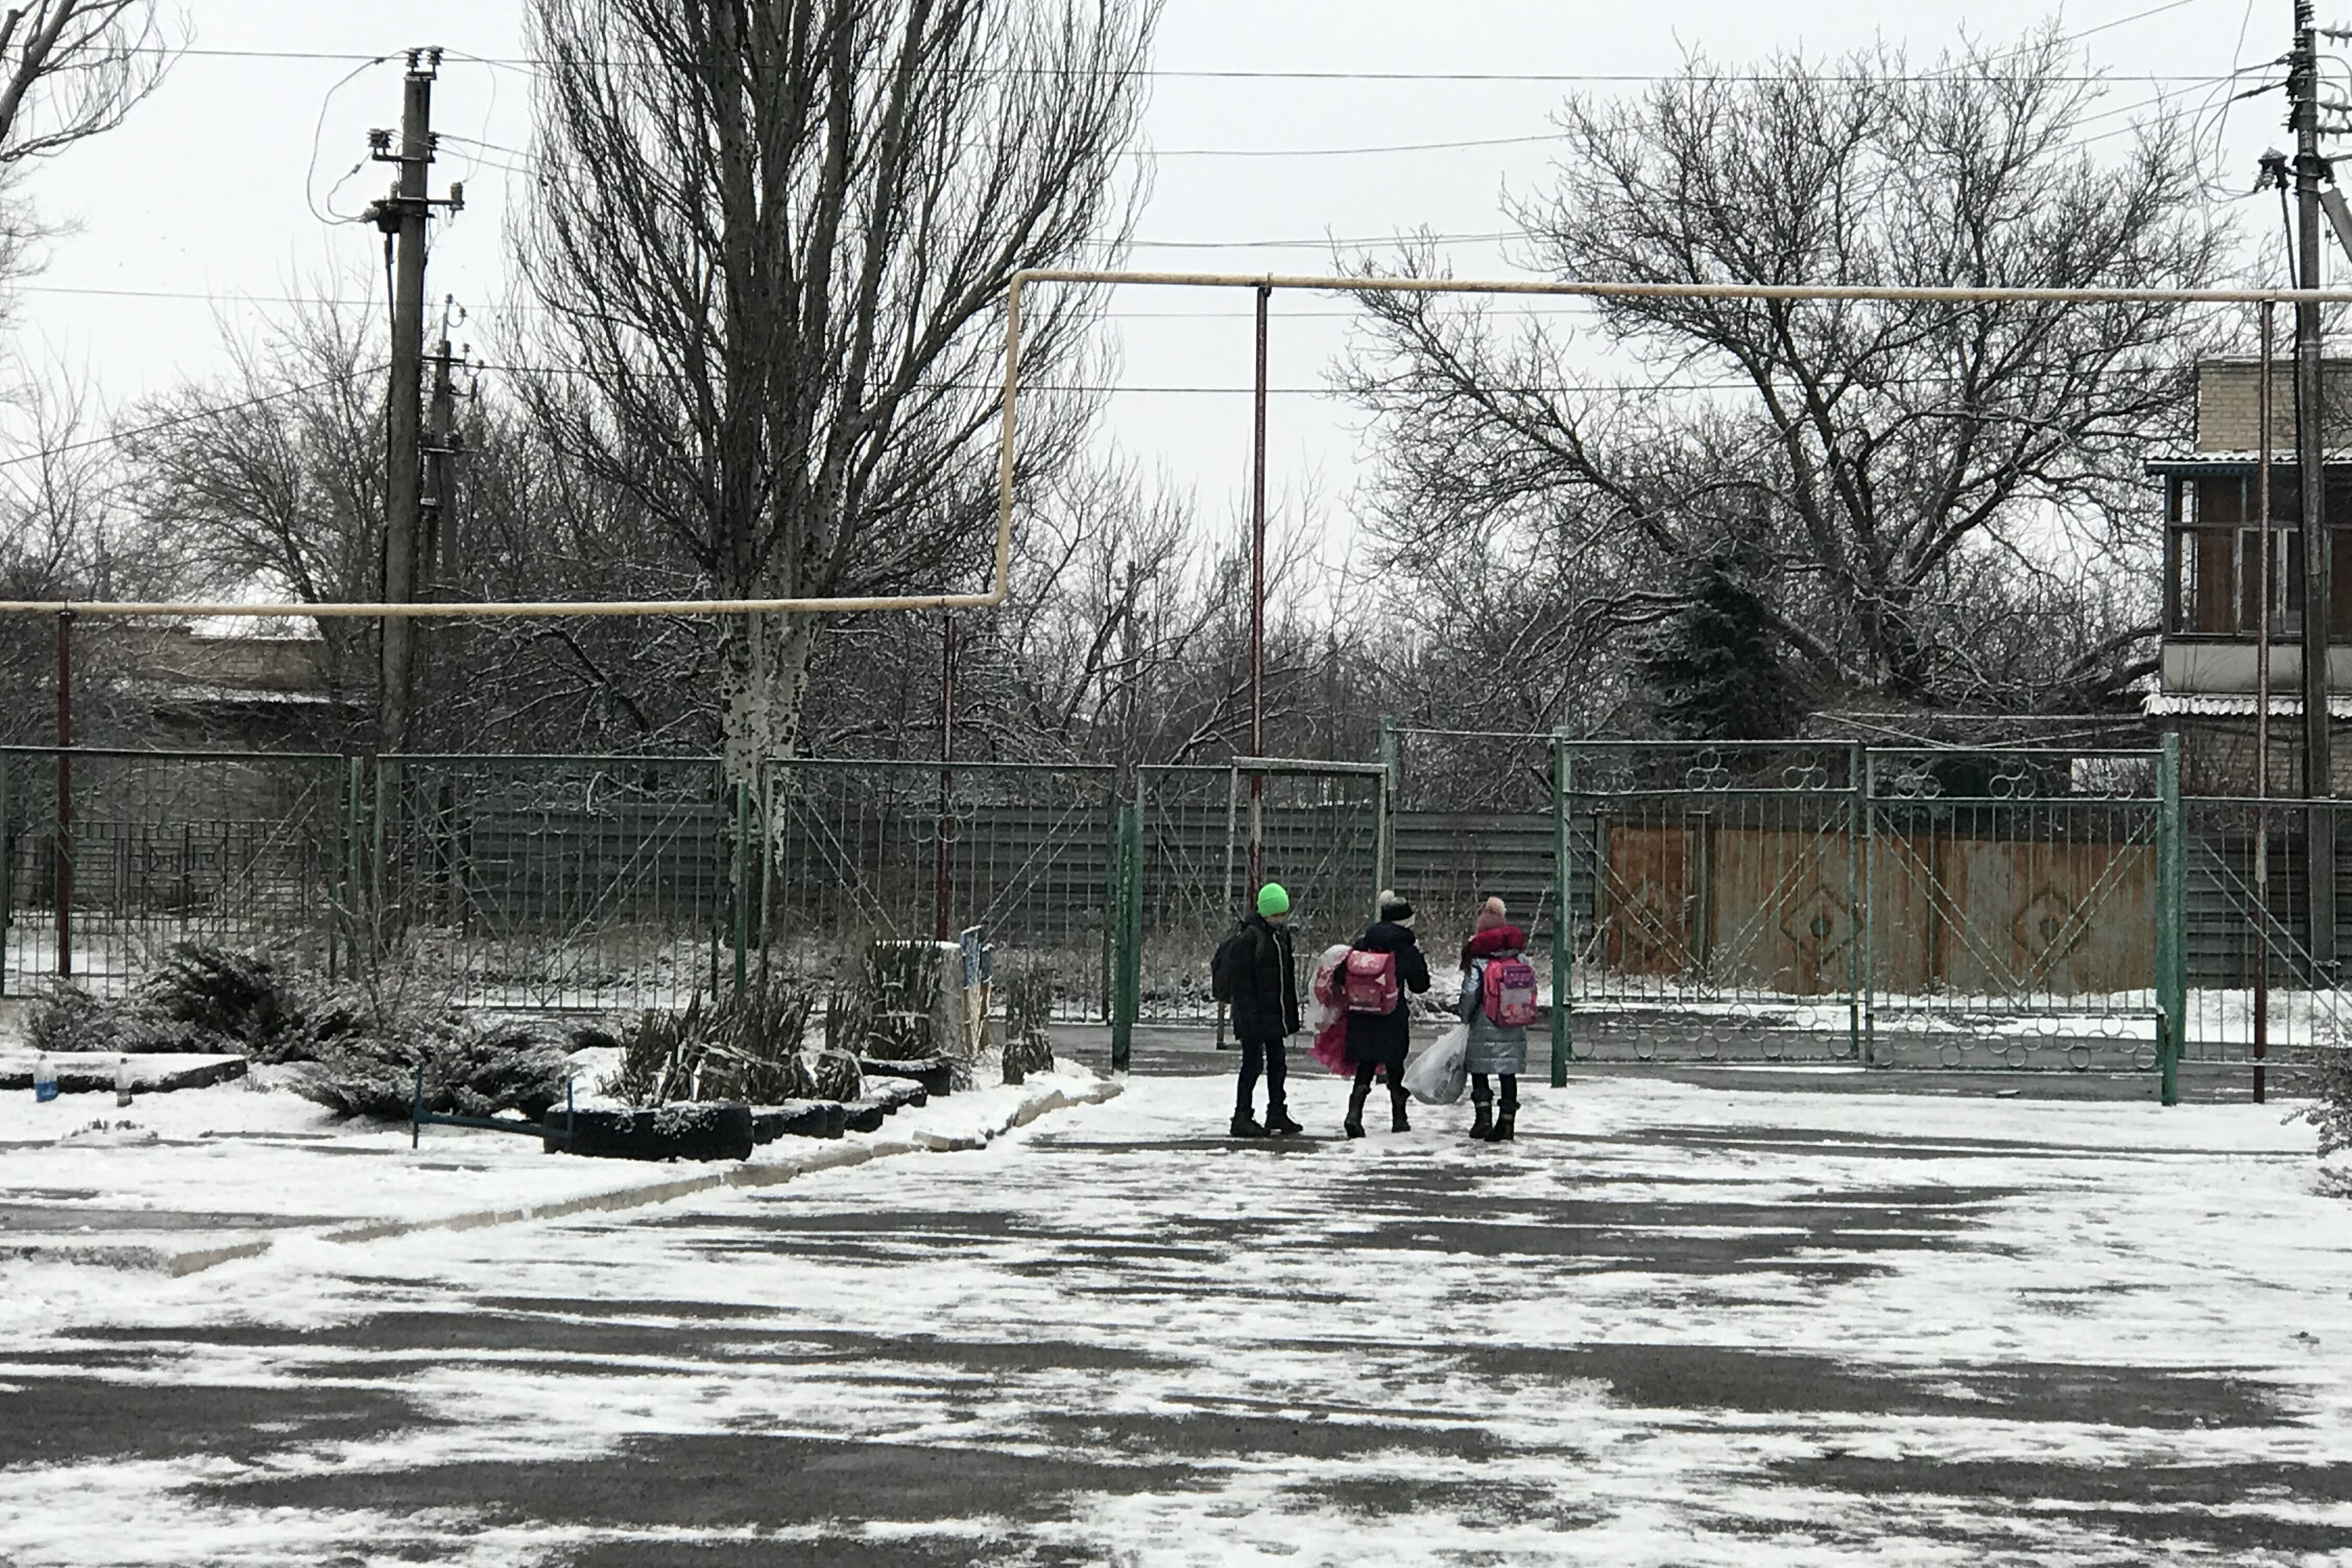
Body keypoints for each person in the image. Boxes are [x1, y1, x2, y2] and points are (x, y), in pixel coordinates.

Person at [1342, 890, 1431, 1138]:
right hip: (1391, 1014)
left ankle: (1354, 1113)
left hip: (1362, 1013)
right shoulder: (1405, 948)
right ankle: (1399, 1118)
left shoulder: (1363, 943)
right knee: (1394, 1065)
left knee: (1366, 1063)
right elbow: (1420, 985)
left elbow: (1342, 974)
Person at [1223, 882, 1303, 1138]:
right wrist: (1248, 1017)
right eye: (1276, 914)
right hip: (1254, 1016)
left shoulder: (1281, 936)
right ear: (1265, 912)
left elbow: (1285, 979)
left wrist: (1289, 1015)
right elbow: (1241, 984)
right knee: (1253, 1063)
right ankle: (1242, 1115)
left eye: (1283, 914)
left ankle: (1277, 1110)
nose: (1280, 920)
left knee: (1278, 1062)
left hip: (1273, 1014)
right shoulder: (1250, 938)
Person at [1458, 897, 1530, 1141]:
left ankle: (1483, 1120)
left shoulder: (1478, 959)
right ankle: (1507, 1124)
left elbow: (1470, 992)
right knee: (1507, 1074)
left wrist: (1465, 1017)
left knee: (1480, 1071)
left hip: (1484, 1023)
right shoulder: (1519, 957)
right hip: (1513, 1022)